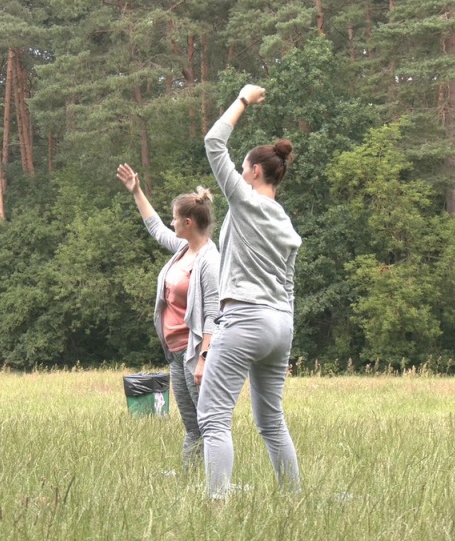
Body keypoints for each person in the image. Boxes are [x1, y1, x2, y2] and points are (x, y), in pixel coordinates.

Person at [197, 84, 301, 499]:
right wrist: (286, 340)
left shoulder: (244, 201)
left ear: (255, 172)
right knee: (271, 421)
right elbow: (289, 286)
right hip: (281, 325)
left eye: (243, 169)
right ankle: (293, 498)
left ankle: (217, 506)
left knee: (213, 417)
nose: (239, 176)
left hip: (244, 318)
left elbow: (212, 141)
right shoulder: (287, 225)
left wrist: (242, 100)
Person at [116, 164, 220, 471]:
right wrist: (136, 191)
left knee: (208, 428)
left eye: (175, 217)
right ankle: (189, 487)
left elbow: (215, 315)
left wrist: (203, 358)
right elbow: (156, 228)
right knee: (192, 429)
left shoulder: (209, 261)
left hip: (195, 355)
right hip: (176, 355)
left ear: (188, 222)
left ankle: (215, 487)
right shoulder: (182, 248)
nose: (171, 222)